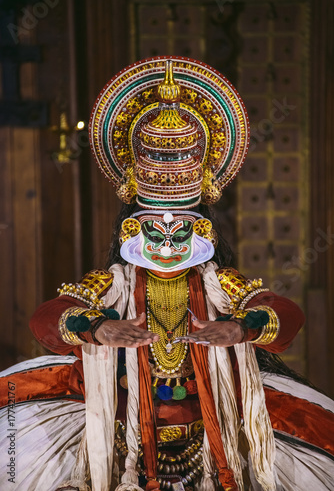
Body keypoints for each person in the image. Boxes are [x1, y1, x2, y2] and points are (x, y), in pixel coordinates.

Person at [0, 57, 333, 491]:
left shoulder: (219, 285)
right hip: (119, 444)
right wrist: (98, 329)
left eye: (182, 227)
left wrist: (240, 327)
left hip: (213, 440)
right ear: (131, 229)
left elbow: (284, 313)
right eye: (156, 227)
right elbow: (48, 318)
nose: (169, 242)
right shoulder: (111, 286)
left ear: (204, 230)